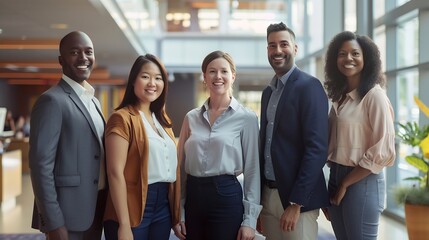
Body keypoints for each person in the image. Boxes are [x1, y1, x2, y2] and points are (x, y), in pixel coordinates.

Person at [173, 50, 262, 240]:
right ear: (204, 77)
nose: (218, 76)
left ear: (233, 76)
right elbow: (180, 168)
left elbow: (253, 170)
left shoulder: (246, 118)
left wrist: (250, 221)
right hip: (193, 197)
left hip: (226, 196)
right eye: (212, 71)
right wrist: (178, 211)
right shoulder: (191, 117)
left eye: (224, 71)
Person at [29, 31, 107, 240]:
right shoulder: (51, 101)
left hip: (95, 208)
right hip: (66, 215)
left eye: (88, 52)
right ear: (61, 60)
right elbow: (40, 166)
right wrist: (53, 222)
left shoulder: (94, 101)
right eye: (74, 52)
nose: (83, 58)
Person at [258, 22, 330, 240]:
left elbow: (317, 149)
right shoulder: (268, 93)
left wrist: (296, 203)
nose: (277, 51)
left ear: (295, 48)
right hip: (268, 195)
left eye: (283, 44)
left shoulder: (310, 87)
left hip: (296, 200)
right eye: (272, 46)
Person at [324, 31, 396, 240]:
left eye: (355, 53)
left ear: (367, 58)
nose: (348, 58)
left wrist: (346, 183)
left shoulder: (375, 96)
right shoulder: (340, 98)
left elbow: (383, 150)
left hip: (362, 179)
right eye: (342, 53)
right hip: (336, 174)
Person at [103, 54, 180, 240]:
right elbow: (115, 172)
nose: (152, 83)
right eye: (145, 76)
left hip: (162, 206)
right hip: (132, 206)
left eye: (158, 78)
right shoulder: (121, 118)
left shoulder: (162, 121)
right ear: (133, 81)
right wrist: (123, 224)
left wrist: (176, 215)